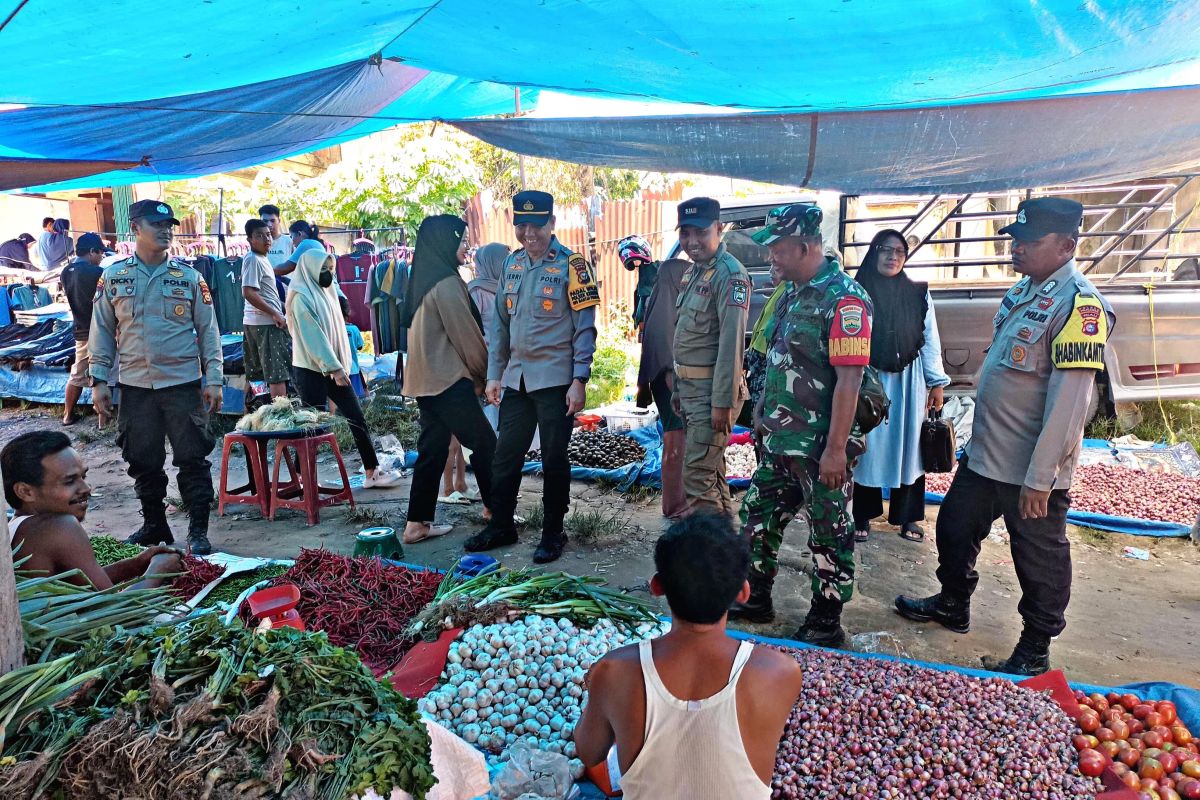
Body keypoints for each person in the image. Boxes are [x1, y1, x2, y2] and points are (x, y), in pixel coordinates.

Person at [896, 197, 1115, 676]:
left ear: (1066, 246)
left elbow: (1069, 402)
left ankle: (1035, 647)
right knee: (954, 528)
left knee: (1037, 556)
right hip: (988, 454)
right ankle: (954, 603)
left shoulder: (1080, 305)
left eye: (1029, 242)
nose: (1016, 249)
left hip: (1030, 468)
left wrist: (1043, 477)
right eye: (1015, 240)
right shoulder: (1026, 291)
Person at [575, 513, 804, 800]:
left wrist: (595, 688)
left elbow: (588, 751)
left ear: (656, 587)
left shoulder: (613, 671)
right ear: (743, 592)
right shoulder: (780, 673)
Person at [732, 203, 872, 647]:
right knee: (757, 518)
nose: (770, 256)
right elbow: (777, 360)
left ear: (806, 245)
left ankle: (826, 620)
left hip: (818, 445)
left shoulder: (845, 300)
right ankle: (754, 597)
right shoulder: (792, 292)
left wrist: (835, 450)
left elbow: (850, 380)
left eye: (777, 248)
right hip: (779, 437)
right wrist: (759, 415)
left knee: (828, 530)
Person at [468, 190, 599, 563]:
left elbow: (584, 328)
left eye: (536, 225)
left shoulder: (574, 266)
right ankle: (502, 525)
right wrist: (495, 376)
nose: (528, 233)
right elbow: (501, 331)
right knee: (505, 455)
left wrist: (580, 379)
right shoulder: (512, 265)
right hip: (517, 380)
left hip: (556, 381)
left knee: (554, 459)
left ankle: (553, 532)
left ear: (552, 223)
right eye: (521, 225)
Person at [88, 200, 223, 555]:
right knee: (142, 459)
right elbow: (101, 330)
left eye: (169, 225)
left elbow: (208, 330)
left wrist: (214, 378)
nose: (166, 231)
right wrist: (98, 379)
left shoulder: (190, 278)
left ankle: (197, 530)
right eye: (157, 224)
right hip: (135, 386)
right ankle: (154, 525)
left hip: (182, 384)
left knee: (192, 458)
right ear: (135, 228)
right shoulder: (114, 277)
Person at [399, 215, 497, 544]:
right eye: (461, 239)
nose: (465, 246)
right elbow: (467, 336)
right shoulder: (447, 283)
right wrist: (485, 375)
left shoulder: (422, 280)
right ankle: (496, 511)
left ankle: (417, 524)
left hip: (425, 382)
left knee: (432, 449)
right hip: (448, 380)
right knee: (484, 444)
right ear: (444, 241)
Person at [851, 229, 951, 543]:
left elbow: (930, 337)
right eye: (886, 250)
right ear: (873, 252)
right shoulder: (856, 290)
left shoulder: (917, 292)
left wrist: (936, 382)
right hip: (869, 378)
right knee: (869, 447)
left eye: (899, 251)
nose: (893, 256)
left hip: (910, 378)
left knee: (909, 448)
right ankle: (862, 515)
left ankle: (907, 517)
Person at [2, 431, 182, 590]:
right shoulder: (60, 528)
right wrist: (157, 572)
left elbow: (76, 584)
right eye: (69, 481)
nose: (86, 488)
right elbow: (113, 611)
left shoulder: (16, 526)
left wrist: (136, 564)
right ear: (25, 491)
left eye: (83, 476)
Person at [286, 248, 401, 489]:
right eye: (323, 270)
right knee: (312, 427)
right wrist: (335, 368)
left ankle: (372, 471)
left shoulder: (326, 291)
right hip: (311, 370)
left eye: (330, 269)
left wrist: (341, 366)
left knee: (356, 416)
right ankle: (301, 478)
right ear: (309, 271)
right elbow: (313, 336)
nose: (329, 274)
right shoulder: (300, 296)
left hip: (334, 368)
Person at [671, 197, 750, 517]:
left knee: (697, 476)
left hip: (712, 395)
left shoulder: (730, 275)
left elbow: (732, 346)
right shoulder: (695, 272)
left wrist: (723, 403)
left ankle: (712, 555)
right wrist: (678, 387)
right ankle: (726, 551)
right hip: (692, 392)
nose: (691, 241)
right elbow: (687, 338)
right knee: (712, 473)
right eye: (685, 233)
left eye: (700, 233)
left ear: (719, 228)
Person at [627, 240, 690, 519]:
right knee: (676, 441)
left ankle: (675, 502)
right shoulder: (666, 304)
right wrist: (670, 378)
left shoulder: (662, 298)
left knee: (674, 439)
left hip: (668, 379)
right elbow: (665, 350)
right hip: (670, 381)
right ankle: (675, 505)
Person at [240, 219, 291, 412]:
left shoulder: (263, 259)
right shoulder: (253, 259)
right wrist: (275, 314)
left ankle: (251, 423)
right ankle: (281, 421)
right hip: (266, 325)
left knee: (256, 376)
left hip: (257, 323)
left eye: (268, 234)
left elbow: (266, 294)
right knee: (277, 375)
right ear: (250, 239)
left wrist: (284, 308)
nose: (266, 239)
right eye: (260, 236)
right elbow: (248, 292)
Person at [60, 233, 109, 427]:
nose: (101, 258)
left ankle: (67, 415)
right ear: (91, 252)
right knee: (104, 373)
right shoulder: (95, 273)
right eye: (100, 253)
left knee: (78, 374)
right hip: (100, 329)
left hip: (80, 328)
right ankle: (103, 420)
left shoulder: (66, 271)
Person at [467, 242, 512, 433]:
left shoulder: (512, 287)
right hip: (489, 365)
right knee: (494, 418)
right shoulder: (476, 292)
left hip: (515, 363)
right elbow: (469, 332)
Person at [259, 204, 294, 298]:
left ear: (279, 221)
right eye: (265, 221)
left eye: (272, 220)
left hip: (287, 291)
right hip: (265, 290)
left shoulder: (289, 241)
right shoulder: (256, 243)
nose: (269, 224)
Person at [338, 295, 368, 398]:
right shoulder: (354, 329)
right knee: (354, 399)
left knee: (340, 399)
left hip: (337, 371)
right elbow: (360, 346)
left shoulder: (333, 329)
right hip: (353, 369)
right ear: (347, 310)